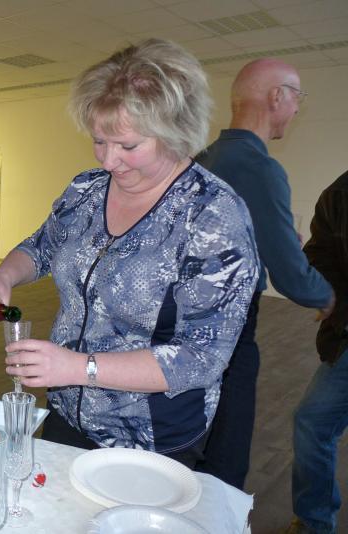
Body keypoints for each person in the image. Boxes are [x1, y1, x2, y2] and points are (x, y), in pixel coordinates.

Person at [0, 39, 259, 467]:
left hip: (151, 436)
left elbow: (201, 359)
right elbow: (42, 246)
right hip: (67, 411)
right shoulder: (87, 189)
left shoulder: (212, 216)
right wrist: (3, 276)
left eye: (128, 146)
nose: (109, 160)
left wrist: (79, 368)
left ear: (177, 133)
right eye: (99, 141)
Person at [195, 59, 334, 489]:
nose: (297, 108)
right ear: (277, 96)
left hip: (185, 329)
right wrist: (329, 297)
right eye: (297, 97)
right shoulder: (260, 167)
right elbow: (291, 276)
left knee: (191, 443)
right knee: (225, 459)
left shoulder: (203, 159)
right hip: (230, 334)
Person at [286, 170, 348, 534]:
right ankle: (314, 523)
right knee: (312, 422)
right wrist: (334, 302)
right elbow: (319, 255)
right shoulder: (339, 194)